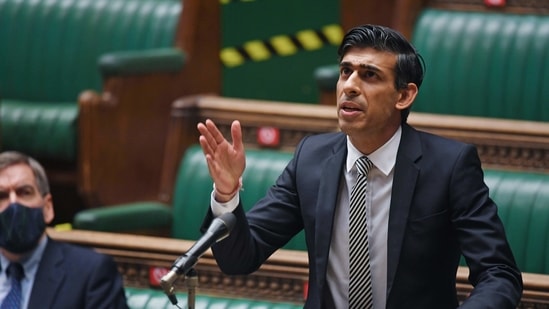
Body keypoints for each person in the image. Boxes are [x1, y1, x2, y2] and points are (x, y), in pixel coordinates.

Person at [196, 25, 523, 308]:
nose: (349, 86)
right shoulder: (311, 157)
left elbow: (499, 274)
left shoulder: (449, 166)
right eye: (345, 71)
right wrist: (226, 192)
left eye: (369, 75)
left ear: (404, 96)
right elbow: (240, 259)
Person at [0, 151, 129, 309]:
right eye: (1, 196)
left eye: (24, 192)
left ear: (47, 207)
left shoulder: (92, 273)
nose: (14, 204)